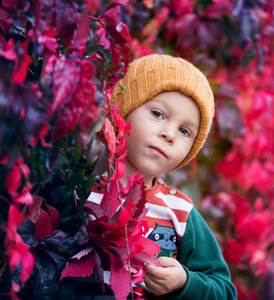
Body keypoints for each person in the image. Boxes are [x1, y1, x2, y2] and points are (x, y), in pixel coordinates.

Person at [87, 54, 237, 299]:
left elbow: (225, 291)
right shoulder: (82, 189)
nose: (169, 134)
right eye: (158, 114)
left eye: (185, 131)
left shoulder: (180, 212)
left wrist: (184, 283)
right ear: (125, 109)